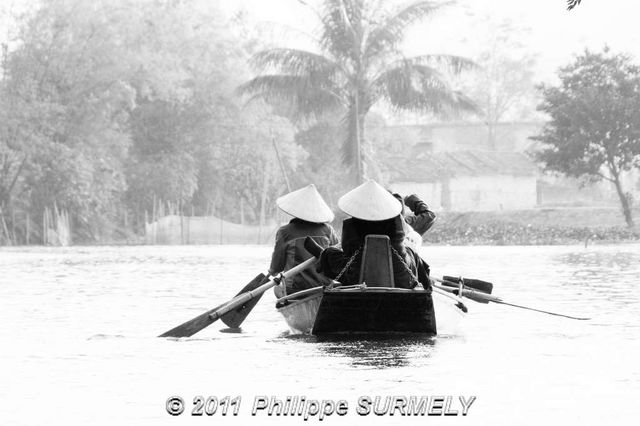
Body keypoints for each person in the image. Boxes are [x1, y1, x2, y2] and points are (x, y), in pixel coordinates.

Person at [318, 180, 431, 290]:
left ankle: (322, 256)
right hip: (401, 278)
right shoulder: (397, 222)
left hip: (357, 278)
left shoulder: (350, 224)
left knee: (330, 253)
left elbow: (347, 251)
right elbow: (429, 217)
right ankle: (427, 285)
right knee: (412, 254)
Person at [269, 184, 339, 297]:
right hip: (325, 287)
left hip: (295, 289)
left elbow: (277, 267)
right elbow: (337, 261)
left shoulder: (285, 232)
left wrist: (272, 271)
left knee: (277, 289)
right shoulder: (328, 230)